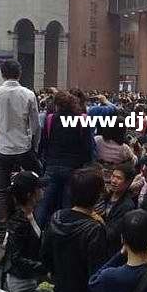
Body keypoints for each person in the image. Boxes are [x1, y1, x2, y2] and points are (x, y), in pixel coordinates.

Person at [0, 59, 41, 228]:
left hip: (2, 148)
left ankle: (2, 227)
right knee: (35, 182)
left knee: (1, 191)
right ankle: (31, 218)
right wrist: (34, 146)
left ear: (2, 74)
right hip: (23, 147)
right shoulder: (28, 94)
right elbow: (35, 126)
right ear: (19, 74)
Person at [37, 91, 94, 229]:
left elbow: (43, 143)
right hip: (74, 167)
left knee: (43, 204)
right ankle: (65, 233)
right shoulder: (82, 119)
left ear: (57, 105)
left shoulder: (50, 119)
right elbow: (88, 146)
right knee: (68, 205)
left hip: (52, 165)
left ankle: (36, 234)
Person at [96, 162, 136, 255]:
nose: (113, 180)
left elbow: (113, 234)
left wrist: (97, 218)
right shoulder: (106, 196)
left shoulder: (127, 206)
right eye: (113, 176)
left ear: (128, 182)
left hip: (109, 250)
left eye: (119, 178)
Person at [95, 118, 136, 184]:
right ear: (123, 132)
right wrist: (132, 149)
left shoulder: (97, 140)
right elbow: (134, 162)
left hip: (96, 175)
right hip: (113, 180)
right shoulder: (124, 148)